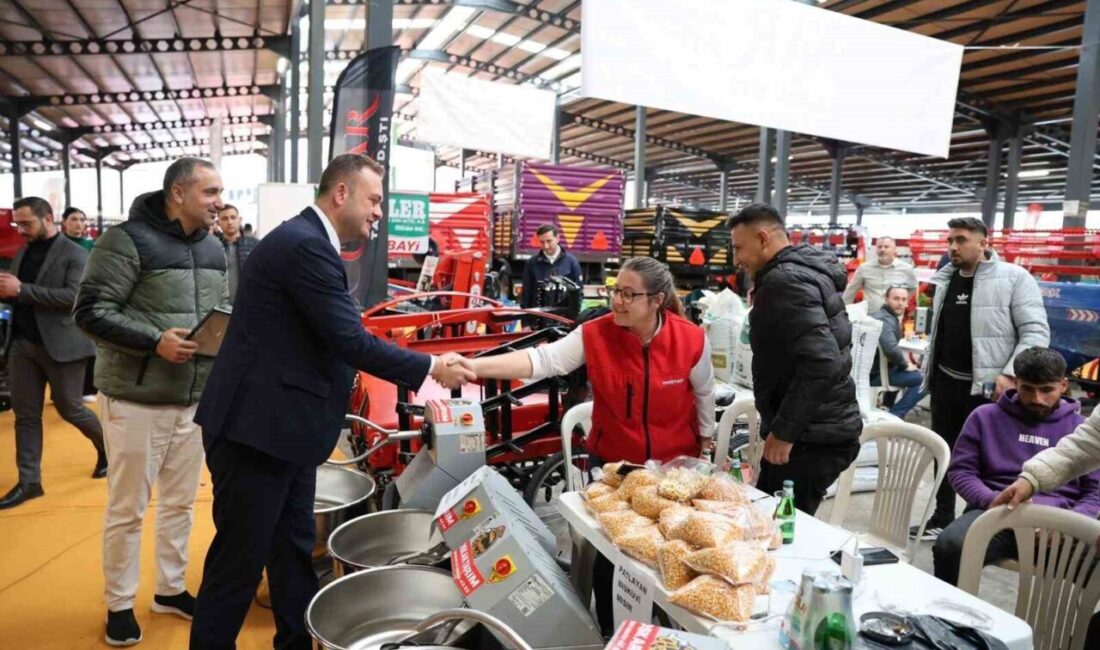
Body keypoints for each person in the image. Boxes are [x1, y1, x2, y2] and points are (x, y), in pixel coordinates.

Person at [188, 154, 474, 650]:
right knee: (238, 560)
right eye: (374, 199)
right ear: (341, 193)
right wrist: (431, 367)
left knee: (293, 549)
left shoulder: (308, 242)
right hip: (255, 433)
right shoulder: (303, 246)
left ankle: (296, 642)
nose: (379, 213)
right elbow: (349, 340)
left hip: (285, 433)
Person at [459, 255, 714, 635]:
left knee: (672, 556)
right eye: (616, 291)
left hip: (673, 473)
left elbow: (704, 393)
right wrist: (474, 366)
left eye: (630, 295)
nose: (617, 301)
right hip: (615, 467)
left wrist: (705, 448)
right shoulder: (596, 333)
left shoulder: (691, 338)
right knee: (612, 557)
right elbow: (542, 360)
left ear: (657, 301)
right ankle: (616, 631)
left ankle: (665, 631)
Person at [74, 157, 228, 646]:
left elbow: (216, 314)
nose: (218, 202)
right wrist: (153, 340)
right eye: (210, 192)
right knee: (128, 508)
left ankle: (170, 588)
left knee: (181, 504)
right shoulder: (125, 240)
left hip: (193, 399)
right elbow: (90, 311)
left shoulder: (214, 247)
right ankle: (119, 603)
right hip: (136, 399)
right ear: (178, 194)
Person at [914, 217, 1049, 541]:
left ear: (983, 243)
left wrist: (1009, 373)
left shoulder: (1014, 278)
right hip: (946, 384)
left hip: (987, 390)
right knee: (943, 451)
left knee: (985, 460)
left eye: (961, 240)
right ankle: (942, 515)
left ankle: (977, 523)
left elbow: (1036, 331)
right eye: (950, 241)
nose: (953, 247)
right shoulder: (945, 279)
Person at [727, 203, 862, 516]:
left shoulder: (785, 282)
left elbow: (821, 362)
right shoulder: (803, 273)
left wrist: (784, 433)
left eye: (738, 248)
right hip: (821, 428)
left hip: (809, 438)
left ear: (763, 238)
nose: (737, 259)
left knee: (777, 531)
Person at [931, 348, 1096, 586]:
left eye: (1047, 390)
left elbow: (1094, 492)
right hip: (995, 514)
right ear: (1015, 382)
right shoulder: (984, 416)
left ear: (1063, 385)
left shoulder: (1084, 430)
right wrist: (992, 499)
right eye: (1027, 388)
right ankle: (948, 619)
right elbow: (962, 471)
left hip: (1061, 523)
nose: (1037, 399)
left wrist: (1070, 524)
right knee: (951, 545)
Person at [0, 197, 105, 510]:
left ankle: (108, 449)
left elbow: (74, 297)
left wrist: (21, 290)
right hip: (22, 344)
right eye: (17, 224)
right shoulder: (23, 251)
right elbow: (16, 291)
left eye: (26, 223)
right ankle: (30, 482)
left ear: (48, 218)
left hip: (63, 345)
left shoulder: (75, 254)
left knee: (70, 408)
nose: (21, 230)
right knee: (26, 416)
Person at [870, 285, 927, 420]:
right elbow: (890, 349)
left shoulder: (885, 315)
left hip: (877, 370)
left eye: (904, 299)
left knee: (900, 367)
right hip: (876, 375)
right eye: (896, 298)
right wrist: (905, 365)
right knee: (927, 380)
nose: (900, 303)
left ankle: (887, 407)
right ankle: (895, 415)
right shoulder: (885, 319)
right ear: (886, 299)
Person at [843, 236, 917, 313]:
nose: (882, 249)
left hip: (894, 317)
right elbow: (851, 290)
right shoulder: (864, 268)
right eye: (879, 247)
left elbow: (913, 287)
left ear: (894, 249)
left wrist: (900, 301)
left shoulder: (906, 269)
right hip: (870, 317)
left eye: (886, 247)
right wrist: (844, 311)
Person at [520, 223, 582, 309]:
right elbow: (526, 294)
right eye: (542, 242)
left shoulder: (571, 262)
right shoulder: (532, 263)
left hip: (563, 318)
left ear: (557, 238)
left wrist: (574, 319)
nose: (546, 246)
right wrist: (526, 320)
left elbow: (578, 294)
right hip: (538, 318)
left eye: (549, 241)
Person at [215, 204, 258, 304]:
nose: (230, 222)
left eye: (233, 217)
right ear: (218, 222)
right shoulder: (212, 246)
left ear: (240, 219)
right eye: (225, 218)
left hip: (248, 304)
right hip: (221, 306)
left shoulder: (254, 245)